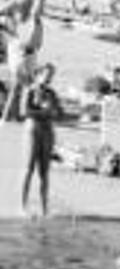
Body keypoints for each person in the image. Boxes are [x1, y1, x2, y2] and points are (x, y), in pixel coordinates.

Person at [1, 0, 46, 123]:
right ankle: (7, 118)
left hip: (24, 51)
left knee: (18, 88)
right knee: (17, 88)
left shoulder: (18, 8)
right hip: (21, 52)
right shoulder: (21, 8)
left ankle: (12, 116)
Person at [20, 63, 61, 218]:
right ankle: (23, 207)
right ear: (38, 74)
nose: (49, 77)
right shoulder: (30, 90)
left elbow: (58, 112)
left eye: (52, 75)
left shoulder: (52, 93)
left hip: (48, 132)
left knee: (44, 172)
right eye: (47, 74)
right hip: (33, 131)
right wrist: (43, 111)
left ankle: (45, 209)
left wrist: (53, 110)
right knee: (28, 169)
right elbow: (24, 112)